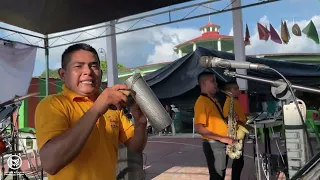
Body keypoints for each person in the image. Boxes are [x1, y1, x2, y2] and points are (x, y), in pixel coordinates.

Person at [34, 43, 148, 180]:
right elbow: (50, 163)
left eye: (94, 66)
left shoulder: (112, 106)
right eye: (78, 66)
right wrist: (97, 109)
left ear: (100, 72)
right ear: (63, 74)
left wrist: (140, 123)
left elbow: (135, 146)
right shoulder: (53, 104)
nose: (88, 71)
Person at [193, 71, 236, 180]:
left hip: (220, 144)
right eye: (213, 81)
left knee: (219, 175)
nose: (216, 84)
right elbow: (199, 127)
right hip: (214, 145)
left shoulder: (213, 100)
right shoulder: (201, 102)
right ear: (203, 84)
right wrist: (223, 138)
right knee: (217, 176)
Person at [215, 79, 249, 180]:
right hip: (234, 133)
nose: (239, 90)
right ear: (228, 91)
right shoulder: (229, 102)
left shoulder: (234, 101)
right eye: (236, 89)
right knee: (238, 160)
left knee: (238, 160)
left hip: (236, 131)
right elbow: (227, 118)